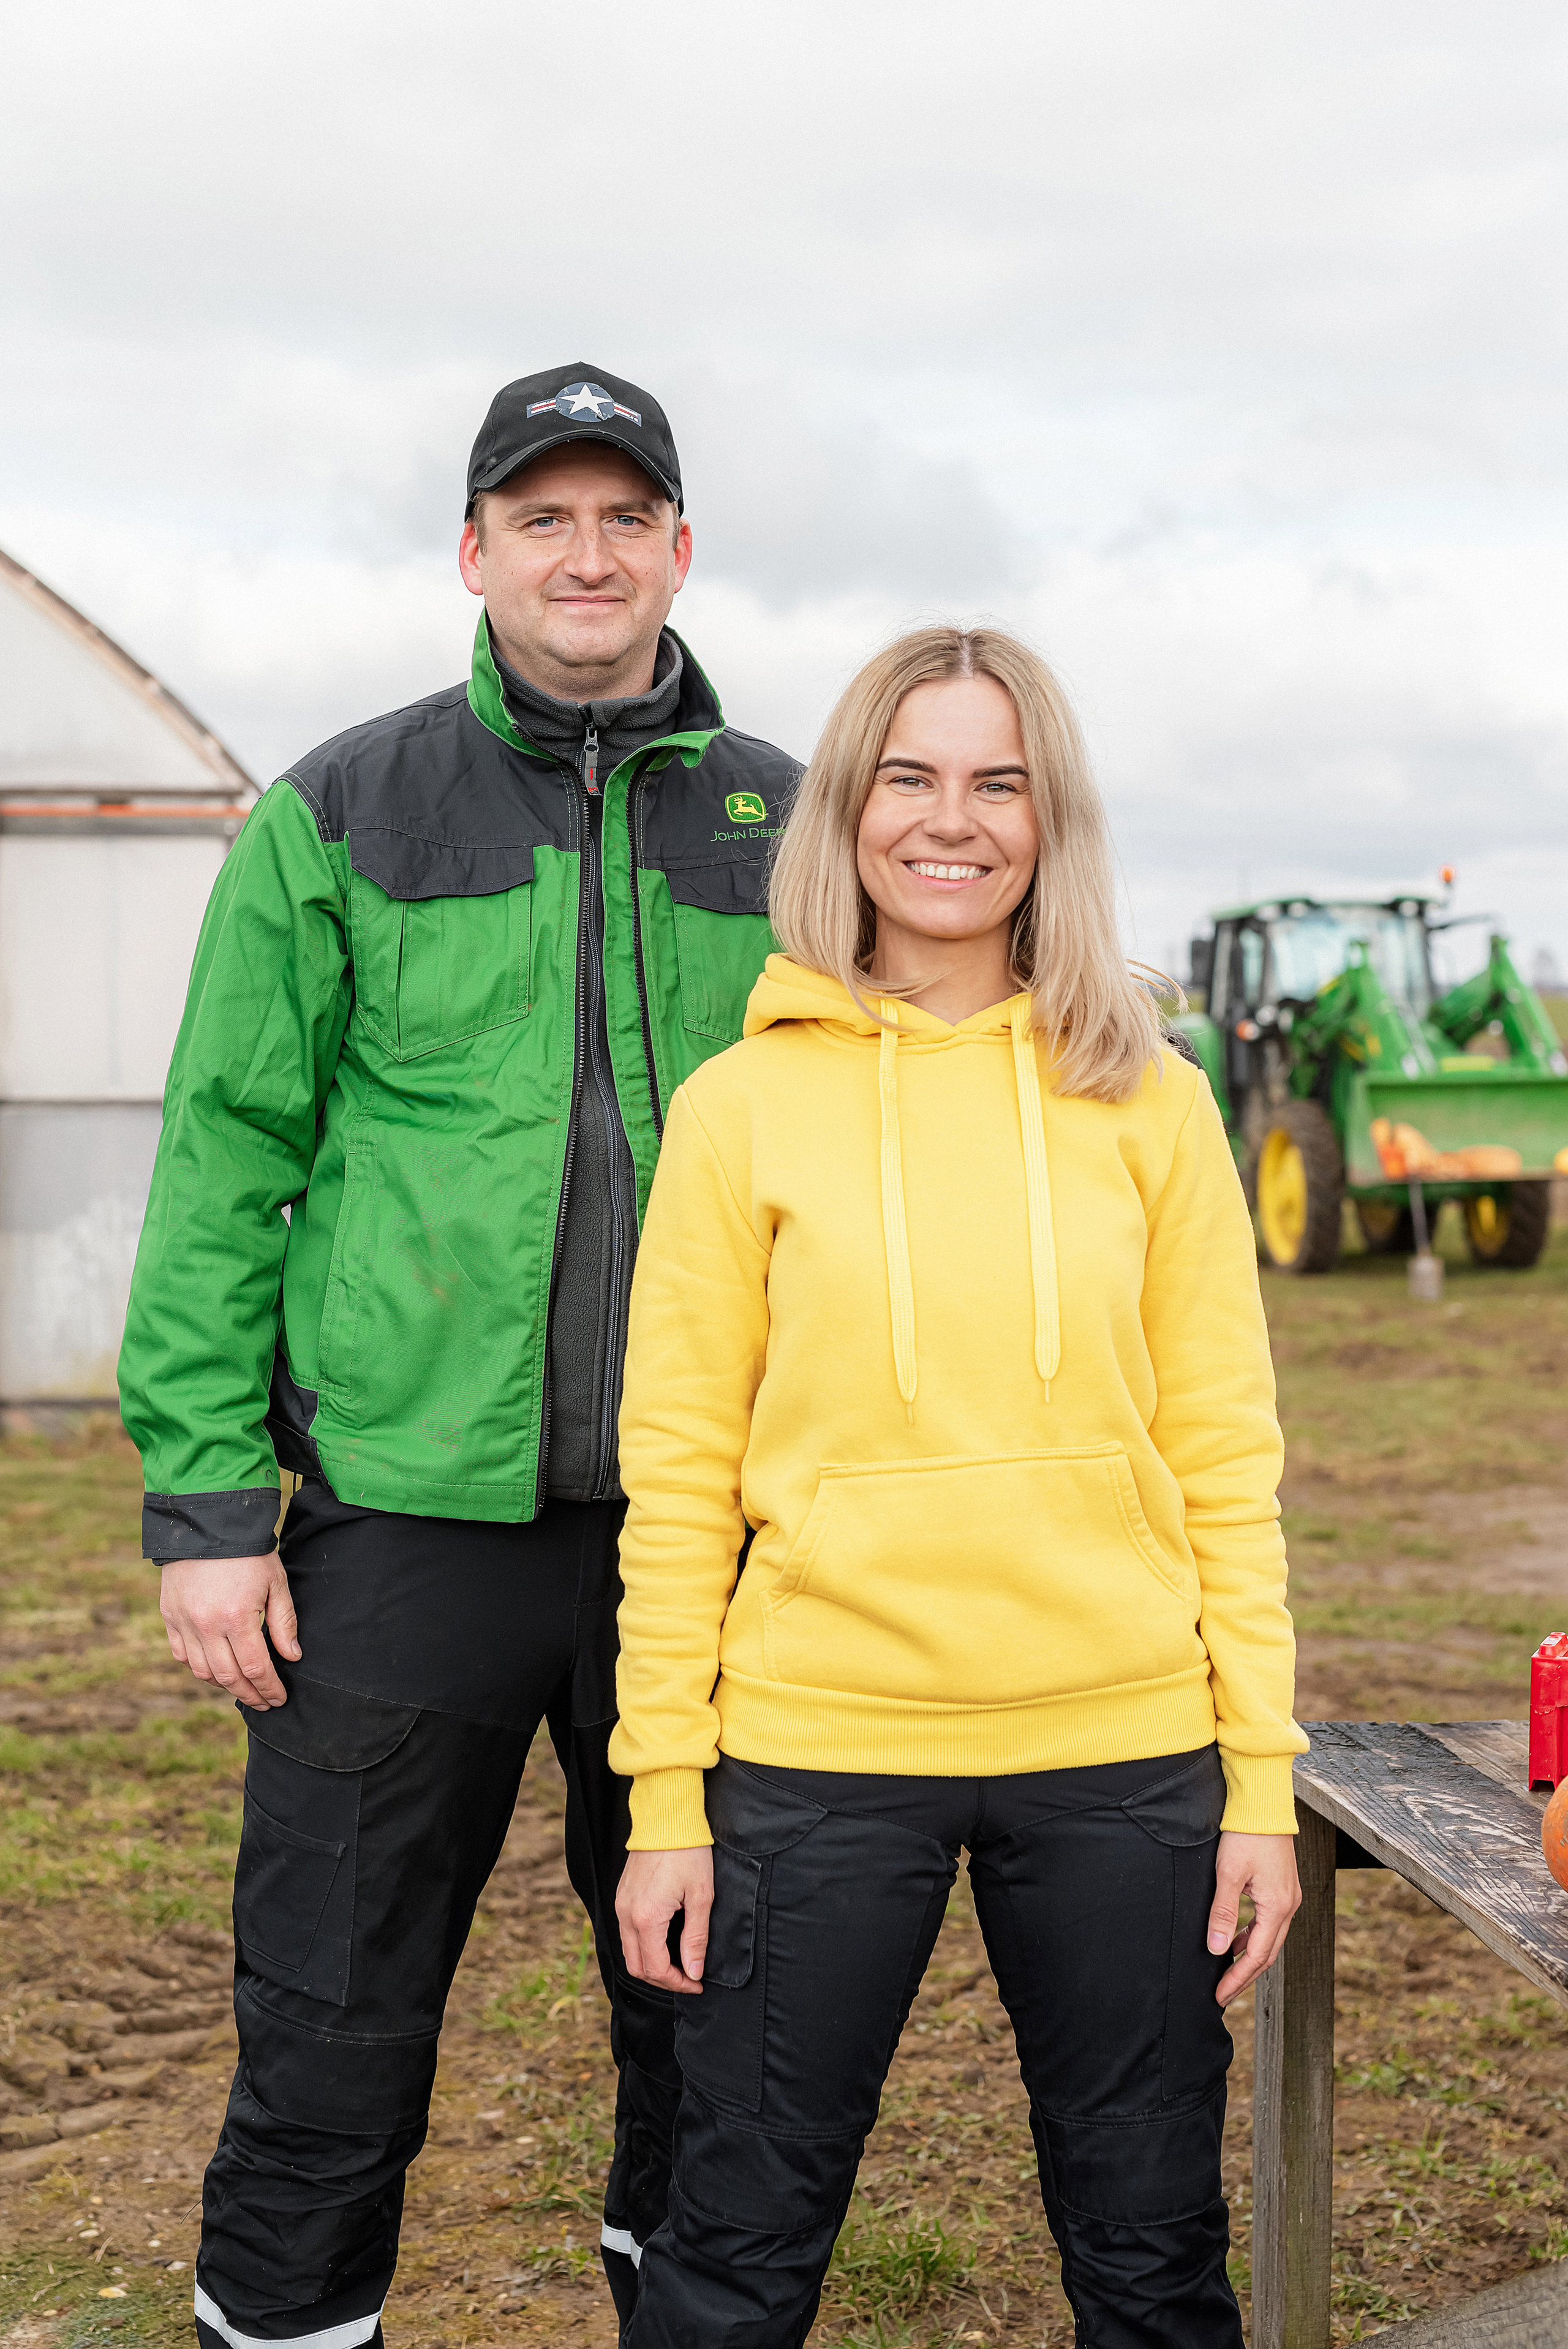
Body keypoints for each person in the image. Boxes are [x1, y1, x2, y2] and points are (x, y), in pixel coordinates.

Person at [117, 364, 799, 2349]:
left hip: (709, 1531)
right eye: (541, 515)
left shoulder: (792, 817)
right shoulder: (341, 811)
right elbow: (226, 1159)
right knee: (334, 2011)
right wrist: (210, 1507)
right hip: (402, 1528)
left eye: (622, 516)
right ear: (474, 549)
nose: (584, 554)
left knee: (713, 2007)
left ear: (680, 546)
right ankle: (292, 2323)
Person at [610, 625, 1306, 2347]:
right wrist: (667, 1798)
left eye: (1000, 780)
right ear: (847, 809)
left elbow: (1226, 1450)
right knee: (736, 2253)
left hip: (1126, 1755)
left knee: (1152, 2254)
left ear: (1049, 818)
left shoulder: (1158, 1103)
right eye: (911, 776)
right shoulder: (738, 1108)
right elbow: (680, 1478)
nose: (954, 819)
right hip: (818, 1751)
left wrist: (1265, 1783)